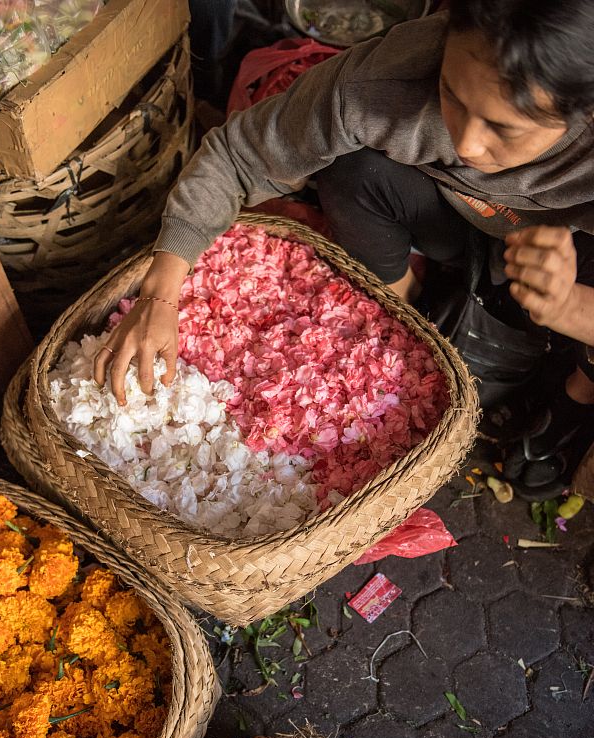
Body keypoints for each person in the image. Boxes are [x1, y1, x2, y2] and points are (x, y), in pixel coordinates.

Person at [94, 0, 594, 499]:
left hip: (574, 264)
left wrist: (569, 306)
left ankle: (576, 392)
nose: (466, 145)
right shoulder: (390, 77)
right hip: (457, 218)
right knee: (357, 171)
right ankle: (411, 311)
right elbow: (237, 156)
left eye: (504, 129)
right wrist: (160, 294)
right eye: (451, 94)